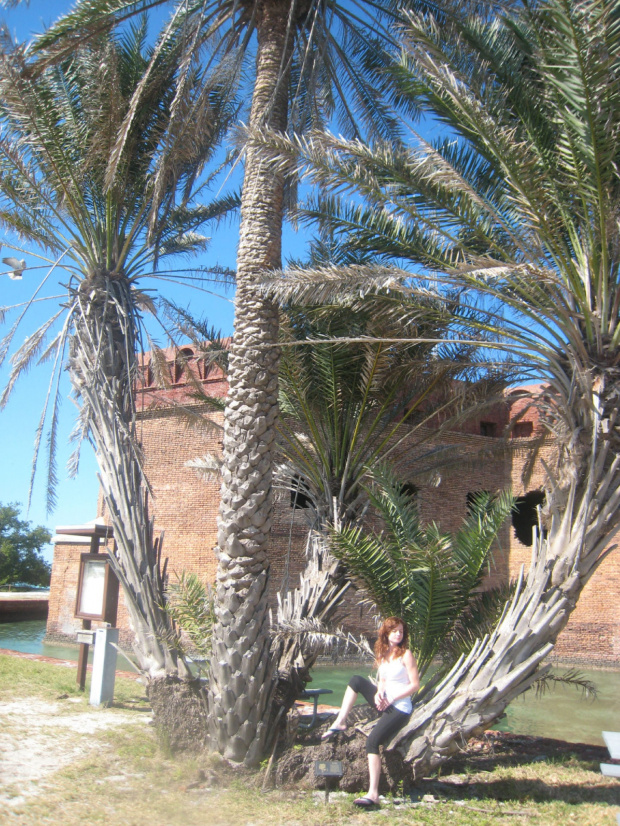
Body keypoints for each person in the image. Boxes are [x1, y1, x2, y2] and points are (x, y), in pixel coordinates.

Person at [321, 616, 419, 808]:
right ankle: (341, 720)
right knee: (356, 681)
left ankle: (373, 794)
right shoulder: (383, 653)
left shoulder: (406, 654)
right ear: (387, 633)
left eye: (400, 631)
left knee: (372, 741)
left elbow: (415, 685)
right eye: (394, 631)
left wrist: (392, 698)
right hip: (384, 701)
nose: (398, 634)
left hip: (399, 707)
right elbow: (382, 680)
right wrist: (378, 694)